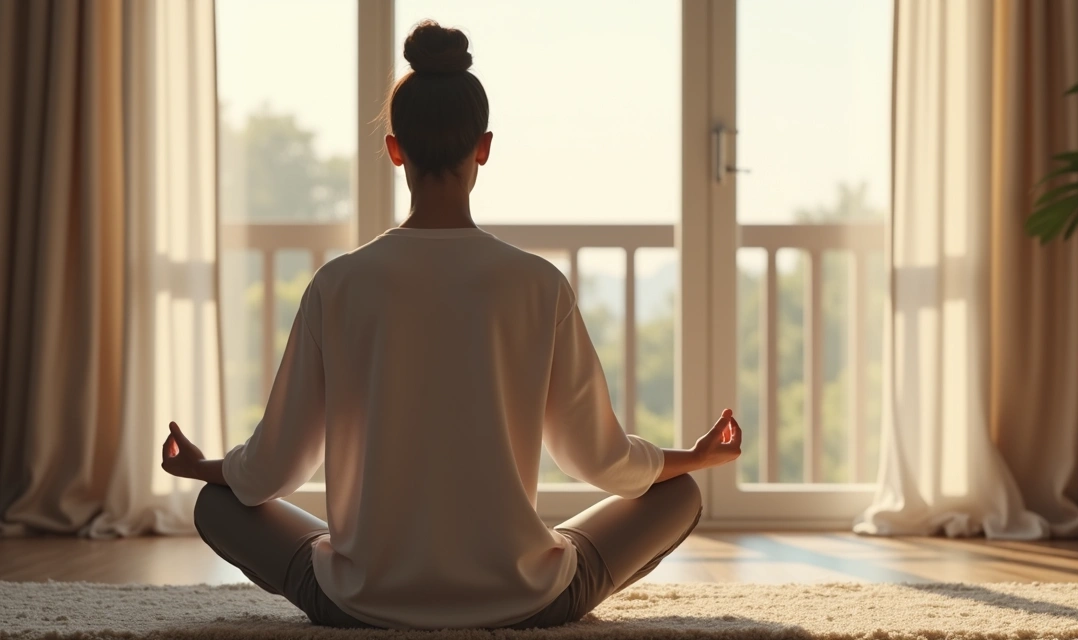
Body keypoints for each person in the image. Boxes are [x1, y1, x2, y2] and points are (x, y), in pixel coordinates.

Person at [160, 19, 743, 631]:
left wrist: (202, 468)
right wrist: (695, 458)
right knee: (677, 495)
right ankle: (534, 563)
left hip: (357, 600)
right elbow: (603, 462)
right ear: (483, 147)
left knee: (218, 506)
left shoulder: (340, 284)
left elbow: (271, 470)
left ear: (394, 148)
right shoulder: (538, 284)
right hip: (527, 600)